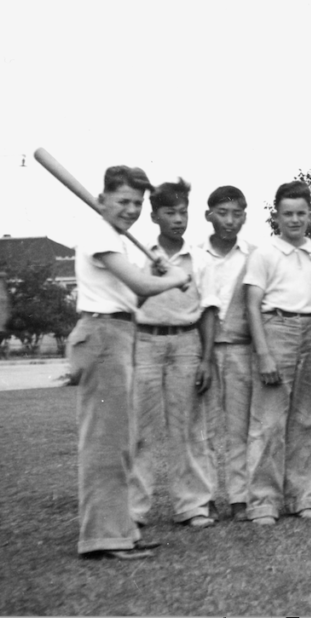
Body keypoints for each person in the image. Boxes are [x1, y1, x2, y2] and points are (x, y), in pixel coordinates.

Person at [67, 165, 190, 560]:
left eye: (137, 203)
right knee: (106, 443)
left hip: (119, 332)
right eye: (122, 201)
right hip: (101, 336)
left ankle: (121, 531)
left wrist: (155, 273)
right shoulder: (98, 233)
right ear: (102, 200)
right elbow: (141, 287)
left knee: (121, 441)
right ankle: (103, 537)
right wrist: (173, 276)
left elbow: (133, 298)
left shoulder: (115, 239)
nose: (131, 210)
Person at [129, 179, 218, 530]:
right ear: (154, 217)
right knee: (141, 430)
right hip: (146, 341)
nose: (178, 219)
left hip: (186, 344)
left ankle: (193, 506)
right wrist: (151, 275)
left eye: (183, 212)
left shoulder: (199, 259)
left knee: (189, 429)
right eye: (170, 212)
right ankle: (133, 511)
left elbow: (208, 310)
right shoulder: (138, 256)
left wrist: (207, 359)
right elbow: (128, 302)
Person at [244, 181, 311, 525]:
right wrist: (263, 353)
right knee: (268, 423)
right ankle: (264, 501)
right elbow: (252, 305)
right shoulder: (264, 254)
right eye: (287, 214)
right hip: (276, 329)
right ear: (277, 216)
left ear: (310, 214)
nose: (294, 220)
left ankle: (306, 496)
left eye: (301, 213)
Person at [197, 185, 256, 521]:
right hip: (200, 352)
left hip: (240, 350)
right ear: (209, 215)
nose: (229, 220)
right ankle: (203, 498)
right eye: (222, 213)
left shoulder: (255, 255)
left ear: (245, 217)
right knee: (203, 429)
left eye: (236, 214)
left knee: (239, 427)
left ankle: (239, 498)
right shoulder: (193, 255)